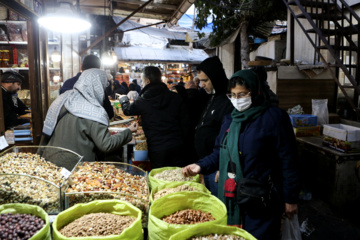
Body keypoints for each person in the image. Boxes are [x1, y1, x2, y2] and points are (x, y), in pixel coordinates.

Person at [183, 69, 300, 240]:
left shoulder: (274, 118)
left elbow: (289, 160)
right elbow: (219, 152)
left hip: (261, 198)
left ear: (255, 91)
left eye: (242, 94)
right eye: (233, 95)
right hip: (233, 195)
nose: (237, 100)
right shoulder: (230, 119)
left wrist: (290, 198)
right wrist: (200, 165)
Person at [42, 69, 138, 162]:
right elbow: (106, 144)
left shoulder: (63, 99)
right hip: (75, 167)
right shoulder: (93, 111)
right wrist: (128, 131)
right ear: (98, 87)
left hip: (51, 160)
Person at [120, 66, 188, 169]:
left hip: (157, 147)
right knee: (177, 178)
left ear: (147, 80)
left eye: (142, 80)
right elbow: (185, 123)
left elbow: (127, 110)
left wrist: (123, 99)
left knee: (159, 178)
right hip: (177, 145)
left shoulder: (143, 100)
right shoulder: (175, 97)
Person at [194, 56, 234, 196]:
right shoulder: (212, 96)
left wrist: (222, 167)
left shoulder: (228, 101)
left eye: (205, 80)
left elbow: (229, 139)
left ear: (215, 78)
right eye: (200, 81)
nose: (201, 85)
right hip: (207, 166)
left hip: (218, 169)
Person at [59, 54, 114, 119]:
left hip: (67, 125)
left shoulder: (68, 83)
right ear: (98, 70)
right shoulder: (98, 86)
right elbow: (109, 113)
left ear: (81, 67)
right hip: (91, 126)